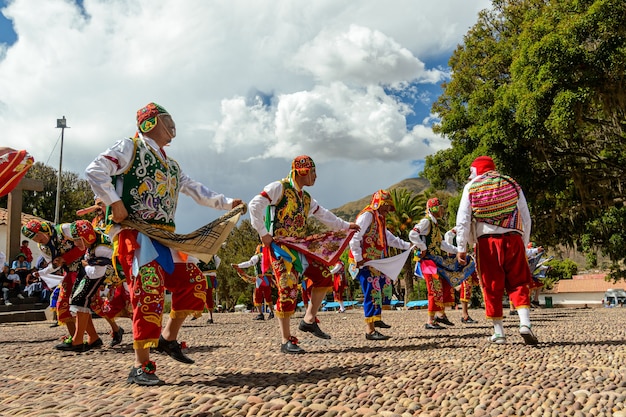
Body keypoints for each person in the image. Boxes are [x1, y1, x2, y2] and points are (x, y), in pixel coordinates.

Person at [85, 102, 243, 386]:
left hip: (165, 237)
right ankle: (140, 365)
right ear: (149, 123)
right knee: (149, 291)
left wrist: (227, 203)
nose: (173, 126)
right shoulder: (129, 147)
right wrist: (114, 201)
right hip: (136, 235)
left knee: (193, 281)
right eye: (167, 120)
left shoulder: (171, 165)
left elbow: (196, 189)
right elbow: (95, 170)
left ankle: (167, 338)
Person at [248, 155, 359, 354]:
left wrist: (345, 226)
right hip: (280, 247)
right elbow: (254, 205)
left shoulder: (306, 198)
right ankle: (285, 339)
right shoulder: (279, 188)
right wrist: (264, 234)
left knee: (324, 276)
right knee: (288, 287)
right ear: (303, 171)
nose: (316, 177)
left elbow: (324, 215)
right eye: (314, 172)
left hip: (299, 246)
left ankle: (308, 320)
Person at [455, 156, 538, 345]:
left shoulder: (472, 186)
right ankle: (525, 324)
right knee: (518, 281)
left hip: (487, 242)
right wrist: (523, 244)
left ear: (477, 170)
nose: (470, 175)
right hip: (514, 238)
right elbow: (525, 216)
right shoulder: (511, 183)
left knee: (492, 285)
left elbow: (463, 219)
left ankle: (499, 332)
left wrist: (462, 247)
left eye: (471, 171)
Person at [348, 189, 411, 340]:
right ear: (379, 203)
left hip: (375, 262)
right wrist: (358, 258)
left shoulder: (379, 218)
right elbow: (354, 237)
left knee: (383, 286)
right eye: (386, 206)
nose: (388, 210)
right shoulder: (368, 215)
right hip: (364, 261)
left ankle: (376, 319)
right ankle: (369, 330)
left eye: (389, 206)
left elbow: (390, 239)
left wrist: (407, 246)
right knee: (372, 290)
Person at [22, 220, 86, 338]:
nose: (37, 240)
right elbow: (53, 265)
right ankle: (75, 338)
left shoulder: (64, 229)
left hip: (88, 268)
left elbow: (83, 246)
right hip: (70, 273)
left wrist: (64, 258)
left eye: (37, 236)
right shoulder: (43, 247)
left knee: (87, 305)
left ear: (43, 230)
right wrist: (43, 272)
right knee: (62, 304)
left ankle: (110, 330)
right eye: (33, 239)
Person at [55, 220, 107, 352]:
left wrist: (86, 265)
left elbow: (97, 272)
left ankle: (79, 340)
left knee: (81, 299)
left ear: (86, 237)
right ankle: (90, 338)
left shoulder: (100, 248)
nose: (76, 243)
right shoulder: (94, 241)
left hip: (103, 274)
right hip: (96, 272)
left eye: (78, 240)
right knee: (80, 299)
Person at [410, 198, 462, 329]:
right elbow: (412, 234)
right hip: (428, 262)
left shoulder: (434, 224)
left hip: (435, 261)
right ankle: (430, 321)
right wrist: (422, 247)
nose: (442, 210)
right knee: (434, 289)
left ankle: (440, 315)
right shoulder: (426, 222)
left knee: (443, 285)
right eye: (440, 208)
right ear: (434, 209)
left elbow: (441, 244)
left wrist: (457, 251)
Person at [232, 244, 275, 321]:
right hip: (268, 279)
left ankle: (260, 314)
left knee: (257, 295)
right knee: (268, 295)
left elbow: (249, 263)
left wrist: (238, 265)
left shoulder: (257, 256)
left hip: (260, 279)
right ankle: (271, 312)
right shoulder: (269, 257)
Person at [444, 228, 478, 324]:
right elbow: (448, 235)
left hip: (473, 259)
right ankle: (465, 315)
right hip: (464, 259)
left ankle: (493, 310)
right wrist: (453, 253)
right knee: (466, 285)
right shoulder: (461, 227)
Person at [199, 255, 220, 324]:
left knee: (204, 295)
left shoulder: (198, 252)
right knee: (208, 296)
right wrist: (213, 270)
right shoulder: (212, 253)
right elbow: (218, 260)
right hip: (210, 275)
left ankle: (197, 312)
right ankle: (209, 316)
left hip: (203, 275)